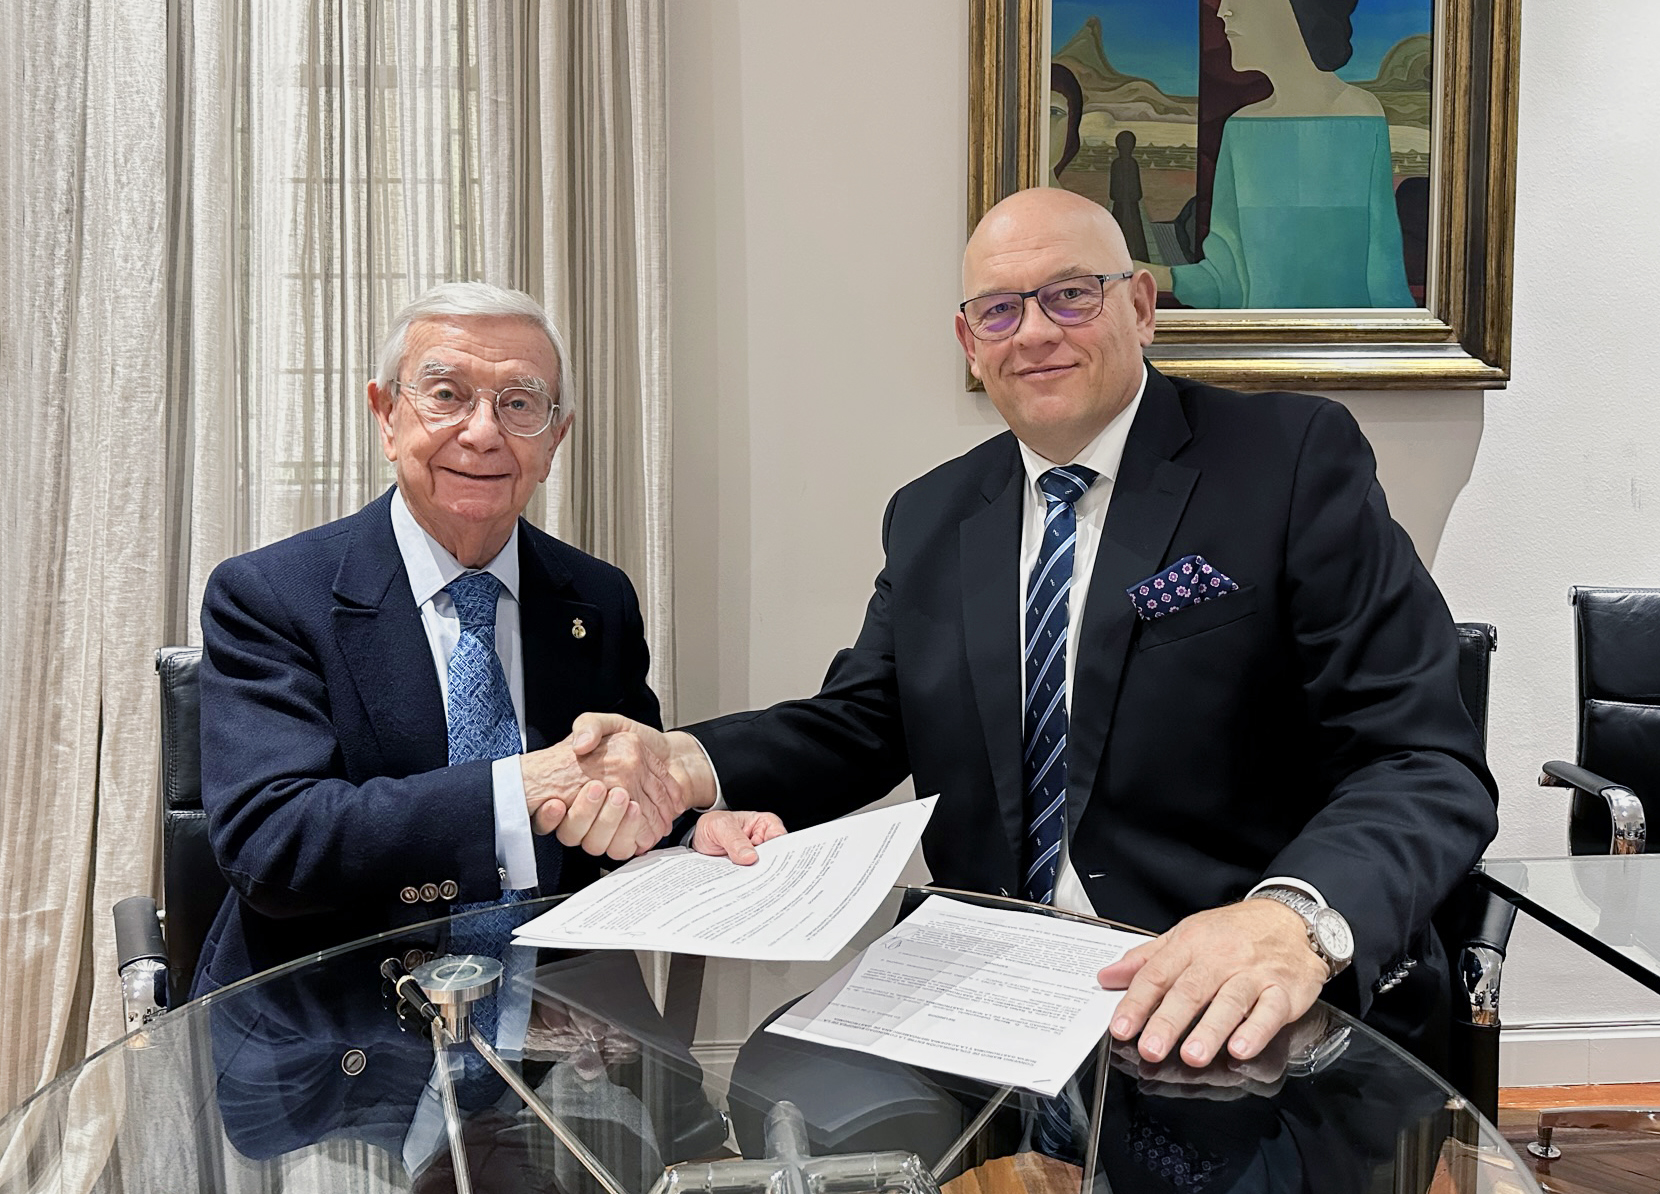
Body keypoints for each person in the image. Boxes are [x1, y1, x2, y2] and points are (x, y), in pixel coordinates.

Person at [580, 188, 1496, 1083]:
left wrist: (1290, 920)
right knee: (782, 1085)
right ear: (969, 341)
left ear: (1140, 306)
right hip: (990, 968)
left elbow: (1419, 760)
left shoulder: (1289, 461)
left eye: (1070, 294)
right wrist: (686, 762)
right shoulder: (935, 513)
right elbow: (863, 719)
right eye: (999, 309)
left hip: (1209, 971)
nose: (1035, 330)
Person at [194, 282, 779, 995]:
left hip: (555, 1024)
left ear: (554, 441)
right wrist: (520, 788)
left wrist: (689, 832)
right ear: (385, 415)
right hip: (336, 1031)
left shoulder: (597, 598)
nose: (482, 432)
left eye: (519, 404)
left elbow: (619, 800)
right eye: (446, 394)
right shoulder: (272, 596)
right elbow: (274, 846)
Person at [1143, 0, 1415, 308]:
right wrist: (1135, 273)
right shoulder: (1241, 128)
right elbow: (1226, 281)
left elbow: (1383, 269)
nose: (1223, 12)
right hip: (1257, 346)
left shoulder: (1362, 116)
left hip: (1346, 349)